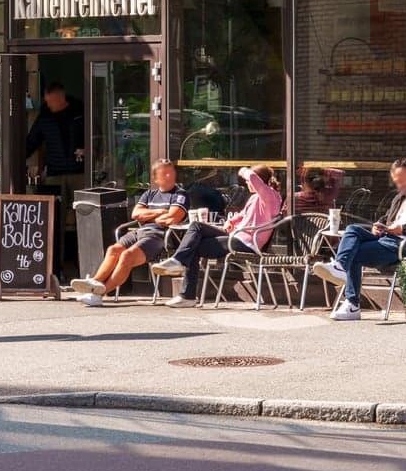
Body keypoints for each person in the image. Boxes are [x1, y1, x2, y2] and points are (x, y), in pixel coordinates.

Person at [312, 159, 406, 321]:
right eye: (396, 182)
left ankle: (352, 303)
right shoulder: (400, 197)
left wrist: (402, 229)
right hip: (386, 238)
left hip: (405, 244)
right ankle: (340, 266)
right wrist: (379, 225)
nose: (398, 185)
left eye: (400, 181)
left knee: (353, 252)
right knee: (352, 229)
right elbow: (386, 217)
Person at [150, 165, 283, 308]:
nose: (246, 183)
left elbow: (252, 177)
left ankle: (185, 287)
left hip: (247, 243)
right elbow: (243, 215)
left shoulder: (270, 196)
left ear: (260, 182)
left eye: (249, 181)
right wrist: (231, 221)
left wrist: (243, 170)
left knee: (192, 245)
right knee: (196, 228)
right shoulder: (255, 198)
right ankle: (180, 272)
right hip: (236, 237)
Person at [70, 159, 187, 307]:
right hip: (140, 232)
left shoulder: (180, 195)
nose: (169, 176)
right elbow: (135, 214)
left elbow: (172, 218)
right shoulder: (149, 194)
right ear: (155, 178)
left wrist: (148, 215)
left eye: (171, 173)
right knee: (113, 250)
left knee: (127, 256)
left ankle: (98, 293)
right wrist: (160, 211)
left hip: (159, 236)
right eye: (165, 174)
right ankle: (95, 283)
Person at [26, 83, 85, 276]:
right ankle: (54, 267)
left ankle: (84, 263)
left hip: (79, 172)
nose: (49, 105)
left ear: (61, 98)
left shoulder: (79, 112)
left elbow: (96, 135)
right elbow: (31, 142)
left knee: (84, 217)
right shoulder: (45, 117)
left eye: (51, 102)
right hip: (55, 172)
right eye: (47, 102)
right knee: (53, 220)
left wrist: (88, 150)